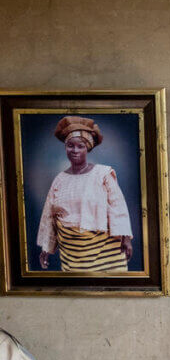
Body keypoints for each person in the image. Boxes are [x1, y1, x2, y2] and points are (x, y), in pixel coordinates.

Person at [36, 116, 133, 272]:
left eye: (80, 146)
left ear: (87, 148)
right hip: (71, 254)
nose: (74, 150)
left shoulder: (103, 174)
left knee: (108, 288)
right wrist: (46, 248)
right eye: (70, 145)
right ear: (65, 147)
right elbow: (49, 215)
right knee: (78, 290)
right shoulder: (59, 179)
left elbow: (118, 206)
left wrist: (126, 238)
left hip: (104, 248)